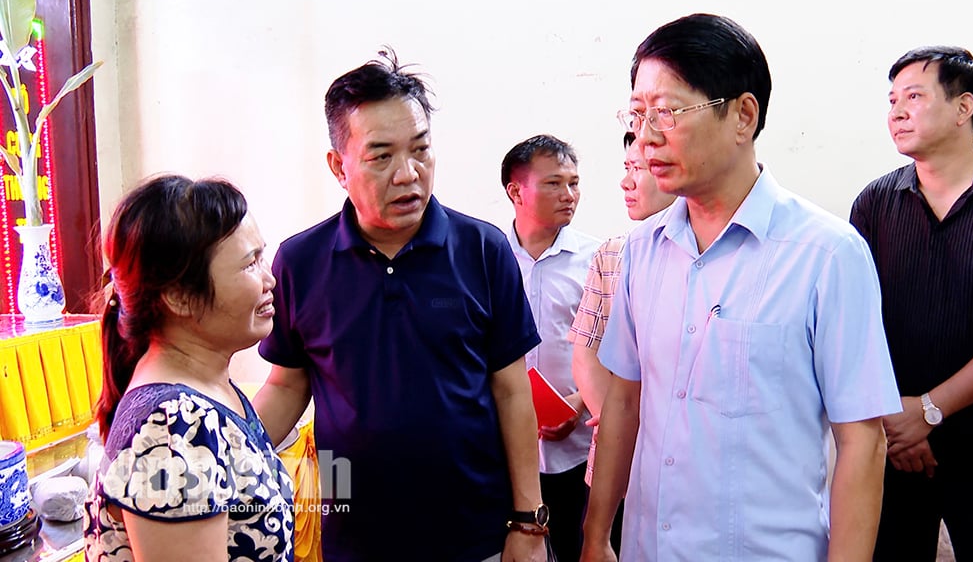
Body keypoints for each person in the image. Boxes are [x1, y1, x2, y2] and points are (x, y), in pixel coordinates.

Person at [580, 13, 902, 561]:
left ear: (743, 116)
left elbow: (861, 441)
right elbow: (625, 404)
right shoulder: (642, 251)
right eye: (638, 114)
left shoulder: (826, 256)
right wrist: (594, 539)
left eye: (667, 112)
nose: (646, 136)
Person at [254, 49, 548, 562]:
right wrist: (223, 449)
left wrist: (528, 522)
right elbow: (286, 384)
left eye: (421, 149)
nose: (408, 174)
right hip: (354, 536)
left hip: (475, 535)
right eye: (381, 155)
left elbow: (511, 392)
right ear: (338, 167)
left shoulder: (483, 249)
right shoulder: (300, 260)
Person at [851, 46, 973, 561]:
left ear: (963, 107)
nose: (897, 112)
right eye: (891, 100)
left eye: (913, 96)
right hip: (892, 442)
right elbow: (855, 328)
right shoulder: (875, 203)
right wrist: (897, 420)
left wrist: (930, 411)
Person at [83, 175, 293, 562]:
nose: (270, 280)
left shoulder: (205, 390)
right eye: (250, 265)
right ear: (178, 296)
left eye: (261, 257)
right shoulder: (172, 429)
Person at [567, 131, 676, 556]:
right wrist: (610, 415)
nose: (626, 182)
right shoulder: (613, 253)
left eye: (638, 170)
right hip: (618, 457)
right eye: (626, 168)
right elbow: (585, 350)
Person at [500, 134, 601, 562]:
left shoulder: (598, 259)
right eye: (554, 183)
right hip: (503, 452)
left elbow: (617, 353)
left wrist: (577, 404)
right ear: (515, 191)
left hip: (578, 450)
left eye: (574, 183)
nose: (569, 195)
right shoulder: (490, 258)